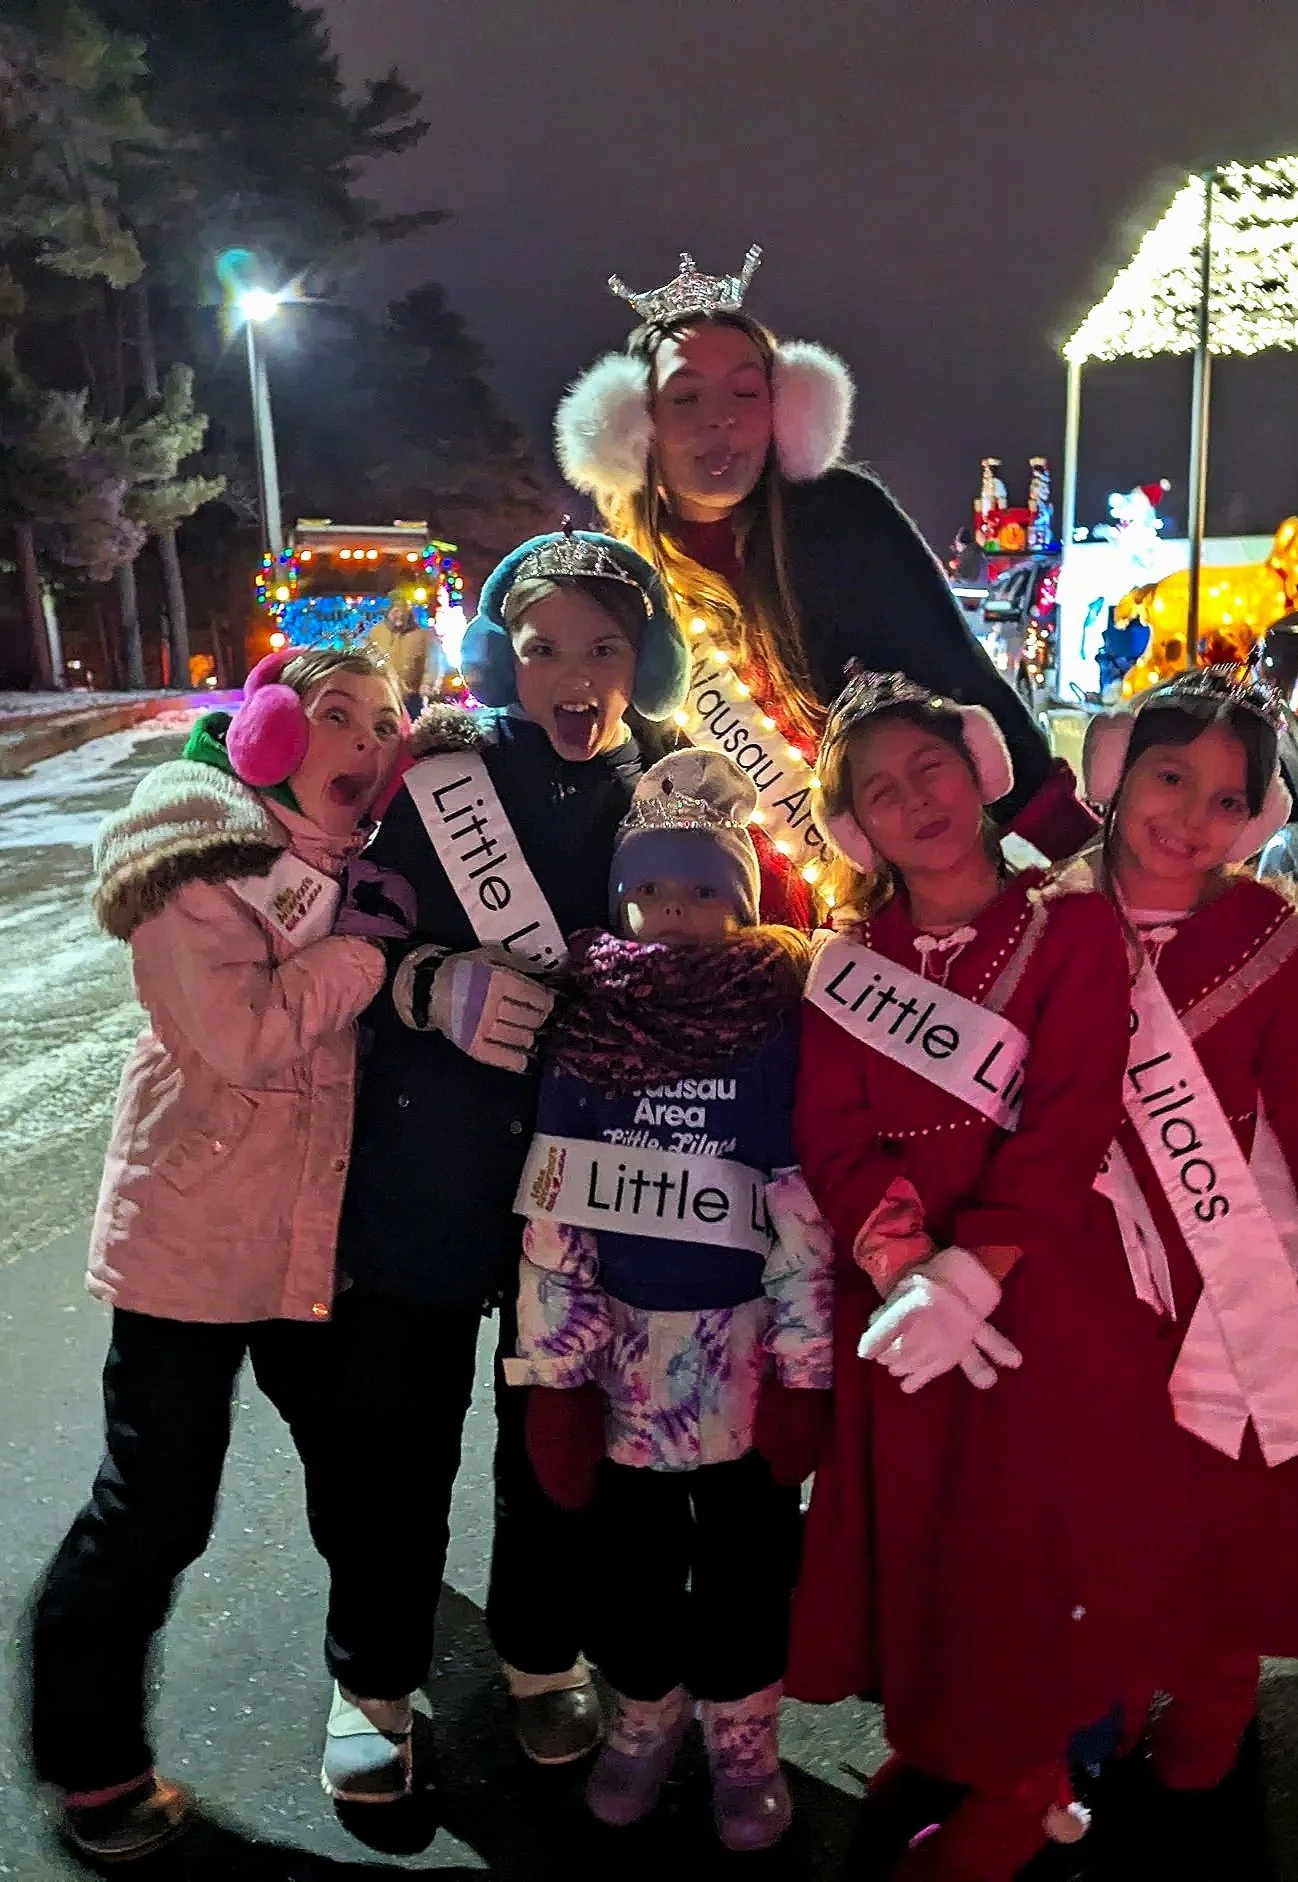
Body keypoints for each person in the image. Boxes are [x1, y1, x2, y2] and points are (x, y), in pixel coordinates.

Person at [317, 528, 692, 1802]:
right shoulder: (438, 782)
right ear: (497, 658)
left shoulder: (672, 788)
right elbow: (342, 945)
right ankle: (370, 1672)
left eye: (604, 646)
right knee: (395, 1436)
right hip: (427, 1163)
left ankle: (540, 1653)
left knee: (554, 1436)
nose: (573, 674)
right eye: (541, 649)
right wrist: (428, 983)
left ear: (646, 658)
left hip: (583, 1176)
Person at [785, 666, 1174, 1881]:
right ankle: (959, 1735)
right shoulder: (849, 960)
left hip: (1043, 1288)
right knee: (933, 1537)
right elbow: (832, 1132)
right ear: (857, 828)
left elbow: (1068, 1120)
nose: (916, 800)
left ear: (980, 770)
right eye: (881, 790)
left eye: (931, 767)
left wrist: (971, 1276)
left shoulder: (1072, 927)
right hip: (903, 1299)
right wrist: (905, 1266)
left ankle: (1036, 1772)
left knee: (1035, 1536)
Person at [26, 647, 407, 1865]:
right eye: (335, 715)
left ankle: (379, 1679)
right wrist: (369, 958)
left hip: (311, 1242)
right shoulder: (196, 857)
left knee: (363, 1463)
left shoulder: (348, 863)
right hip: (191, 1244)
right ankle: (91, 1765)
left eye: (385, 722)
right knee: (154, 1510)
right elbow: (244, 1036)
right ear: (271, 737)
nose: (363, 740)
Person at [1076, 669, 1298, 1840]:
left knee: (1223, 1502)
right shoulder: (1049, 920)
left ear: (1258, 818)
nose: (1193, 816)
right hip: (1088, 1271)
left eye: (1229, 798)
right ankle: (1105, 1685)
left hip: (1226, 1272)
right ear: (1115, 777)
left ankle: (1215, 1689)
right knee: (1093, 1495)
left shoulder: (1282, 948)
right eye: (1170, 776)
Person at [509, 747, 832, 1852]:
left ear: (738, 899)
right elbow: (556, 1221)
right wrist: (553, 1382)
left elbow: (798, 1210)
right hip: (624, 1367)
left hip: (741, 1356)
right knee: (631, 1565)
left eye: (702, 889)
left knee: (748, 1565)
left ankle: (744, 1737)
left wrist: (804, 1368)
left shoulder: (773, 1026)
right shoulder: (589, 1023)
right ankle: (643, 1716)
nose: (675, 911)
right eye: (653, 889)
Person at [553, 245, 1098, 877]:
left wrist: (1080, 847)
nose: (721, 419)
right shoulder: (621, 576)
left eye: (745, 392)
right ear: (634, 423)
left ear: (783, 409)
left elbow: (958, 675)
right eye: (686, 398)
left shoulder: (845, 517)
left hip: (904, 878)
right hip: (731, 896)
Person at [366, 594, 442, 718]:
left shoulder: (423, 635)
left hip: (413, 698)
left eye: (403, 611)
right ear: (387, 612)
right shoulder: (376, 634)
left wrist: (427, 686)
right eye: (395, 611)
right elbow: (369, 661)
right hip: (384, 697)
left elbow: (433, 663)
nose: (400, 615)